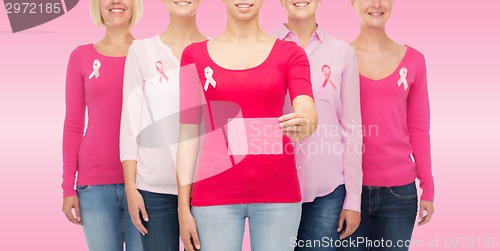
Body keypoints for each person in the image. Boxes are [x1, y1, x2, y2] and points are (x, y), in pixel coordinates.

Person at [176, 1, 318, 250]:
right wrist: (182, 209)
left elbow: (306, 105)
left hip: (279, 194)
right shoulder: (194, 55)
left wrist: (307, 121)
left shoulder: (291, 53)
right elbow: (188, 132)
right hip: (213, 196)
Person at [340, 1, 435, 250]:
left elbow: (419, 128)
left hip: (399, 195)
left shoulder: (414, 60)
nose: (376, 4)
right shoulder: (339, 57)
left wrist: (428, 188)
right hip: (348, 193)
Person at [274, 1, 363, 250]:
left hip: (327, 190)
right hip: (274, 190)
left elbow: (352, 128)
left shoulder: (342, 53)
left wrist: (353, 199)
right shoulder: (264, 48)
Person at [120, 0, 207, 250]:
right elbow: (130, 122)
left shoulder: (215, 50)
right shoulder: (141, 51)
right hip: (153, 189)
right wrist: (131, 187)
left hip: (204, 186)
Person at [61, 0, 143, 250]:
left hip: (144, 184)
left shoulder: (149, 53)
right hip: (94, 186)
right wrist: (67, 188)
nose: (116, 2)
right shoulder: (81, 56)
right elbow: (73, 125)